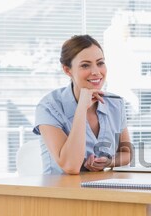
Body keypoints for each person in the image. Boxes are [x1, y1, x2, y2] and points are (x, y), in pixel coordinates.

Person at [33, 35, 132, 175]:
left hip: (103, 189)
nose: (96, 72)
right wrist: (81, 109)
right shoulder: (48, 107)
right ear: (68, 70)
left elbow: (126, 153)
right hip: (61, 192)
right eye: (85, 65)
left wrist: (109, 162)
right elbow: (71, 166)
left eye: (100, 63)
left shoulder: (115, 103)